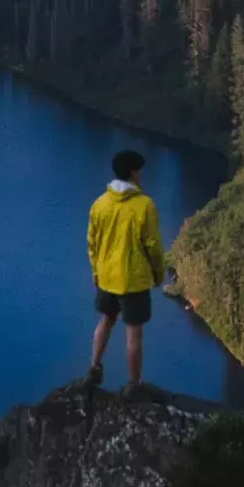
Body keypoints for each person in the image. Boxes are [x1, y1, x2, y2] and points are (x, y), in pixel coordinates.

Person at [86, 149, 165, 391]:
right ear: (132, 172)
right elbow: (153, 245)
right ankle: (133, 384)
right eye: (139, 170)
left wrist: (96, 272)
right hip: (133, 280)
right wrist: (158, 273)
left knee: (106, 320)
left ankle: (94, 367)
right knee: (133, 333)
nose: (141, 174)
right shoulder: (144, 206)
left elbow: (92, 243)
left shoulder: (100, 204)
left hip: (107, 276)